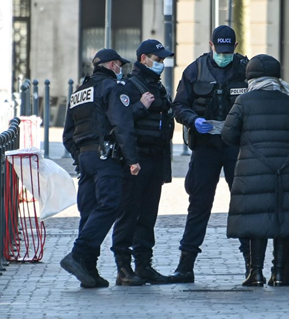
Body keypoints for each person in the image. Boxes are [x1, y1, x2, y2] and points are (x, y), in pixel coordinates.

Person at [169, 25, 251, 283]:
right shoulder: (195, 69)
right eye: (219, 49)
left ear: (235, 48)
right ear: (211, 45)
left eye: (228, 51)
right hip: (205, 145)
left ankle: (253, 267)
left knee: (243, 205)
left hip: (235, 146)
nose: (223, 55)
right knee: (199, 205)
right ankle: (185, 266)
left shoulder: (246, 69)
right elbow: (179, 105)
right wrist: (193, 120)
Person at [221, 54, 289, 286]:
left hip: (253, 170)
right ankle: (279, 274)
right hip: (286, 170)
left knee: (256, 221)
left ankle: (255, 273)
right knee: (282, 221)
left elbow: (228, 134)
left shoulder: (244, 101)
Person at [60, 49, 145, 288]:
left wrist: (82, 156)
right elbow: (122, 125)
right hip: (106, 157)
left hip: (85, 159)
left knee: (90, 211)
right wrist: (132, 159)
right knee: (110, 205)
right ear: (111, 65)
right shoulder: (112, 88)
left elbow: (68, 135)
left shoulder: (79, 92)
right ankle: (78, 254)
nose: (121, 69)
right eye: (119, 65)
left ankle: (88, 269)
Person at [109, 40, 175, 286]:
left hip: (156, 159)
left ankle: (144, 265)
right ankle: (123, 268)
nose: (161, 64)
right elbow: (120, 122)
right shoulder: (128, 86)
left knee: (148, 215)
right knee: (128, 214)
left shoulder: (157, 87)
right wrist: (140, 107)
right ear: (143, 58)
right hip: (135, 160)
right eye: (157, 59)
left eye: (162, 60)